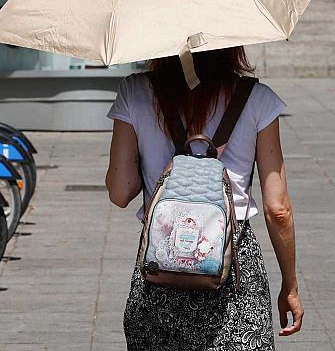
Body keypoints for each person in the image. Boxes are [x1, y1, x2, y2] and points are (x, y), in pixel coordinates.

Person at [105, 48, 302, 350]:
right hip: (232, 265)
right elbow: (278, 209)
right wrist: (290, 284)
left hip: (162, 264)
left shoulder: (135, 92)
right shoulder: (257, 98)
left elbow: (120, 192)